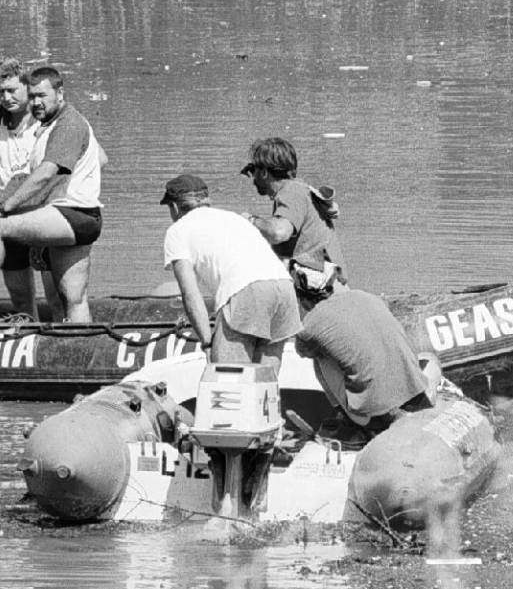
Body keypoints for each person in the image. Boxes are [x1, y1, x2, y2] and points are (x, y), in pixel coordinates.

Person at [0, 66, 106, 325]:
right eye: (34, 96)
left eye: (41, 96)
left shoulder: (68, 123)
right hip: (61, 216)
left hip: (70, 213)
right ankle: (75, 349)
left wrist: (3, 208)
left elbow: (47, 172)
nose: (36, 102)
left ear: (60, 93)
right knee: (74, 298)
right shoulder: (44, 126)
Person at [161, 174, 302, 375]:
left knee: (229, 381)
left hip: (247, 290)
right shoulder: (234, 217)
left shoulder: (177, 231)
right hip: (284, 289)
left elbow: (190, 294)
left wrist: (208, 343)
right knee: (265, 383)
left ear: (174, 208)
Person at [0, 57, 63, 321]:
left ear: (27, 87)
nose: (6, 98)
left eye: (12, 91)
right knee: (20, 299)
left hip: (45, 215)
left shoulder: (47, 117)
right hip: (9, 218)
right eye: (0, 92)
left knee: (56, 297)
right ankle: (26, 339)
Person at [291, 261, 432, 449]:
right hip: (415, 394)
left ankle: (353, 422)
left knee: (319, 358)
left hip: (372, 415)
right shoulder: (365, 295)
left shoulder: (309, 326)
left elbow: (302, 351)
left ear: (303, 298)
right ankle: (392, 410)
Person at [239, 137, 348, 289]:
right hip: (327, 284)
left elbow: (279, 232)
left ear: (264, 172)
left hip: (318, 291)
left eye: (253, 170)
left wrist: (249, 221)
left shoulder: (292, 192)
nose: (252, 179)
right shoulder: (300, 189)